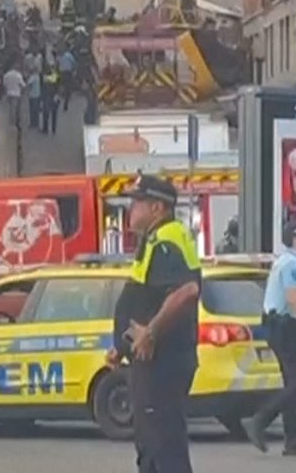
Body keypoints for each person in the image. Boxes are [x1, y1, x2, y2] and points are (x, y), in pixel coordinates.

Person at [107, 175, 201, 473]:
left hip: (161, 362)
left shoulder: (165, 241)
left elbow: (187, 291)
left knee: (164, 449)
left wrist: (150, 332)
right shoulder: (156, 239)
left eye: (137, 203)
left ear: (157, 207)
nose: (131, 209)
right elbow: (144, 297)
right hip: (153, 361)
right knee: (151, 447)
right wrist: (121, 345)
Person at [244, 219, 296, 456]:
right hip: (285, 327)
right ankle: (260, 420)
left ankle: (292, 439)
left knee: (293, 383)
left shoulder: (287, 261)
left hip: (280, 326)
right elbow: (294, 299)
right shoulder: (291, 263)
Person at [1, 64, 25, 128]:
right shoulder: (18, 75)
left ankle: (12, 121)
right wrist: (22, 92)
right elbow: (22, 85)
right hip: (17, 93)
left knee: (11, 108)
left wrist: (6, 91)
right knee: (16, 108)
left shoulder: (7, 75)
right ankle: (15, 121)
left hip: (9, 93)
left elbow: (4, 84)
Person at [41, 66, 62, 135]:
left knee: (46, 113)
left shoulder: (45, 77)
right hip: (55, 96)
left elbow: (43, 86)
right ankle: (53, 129)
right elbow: (59, 86)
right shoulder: (56, 77)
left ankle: (45, 129)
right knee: (54, 114)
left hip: (48, 96)